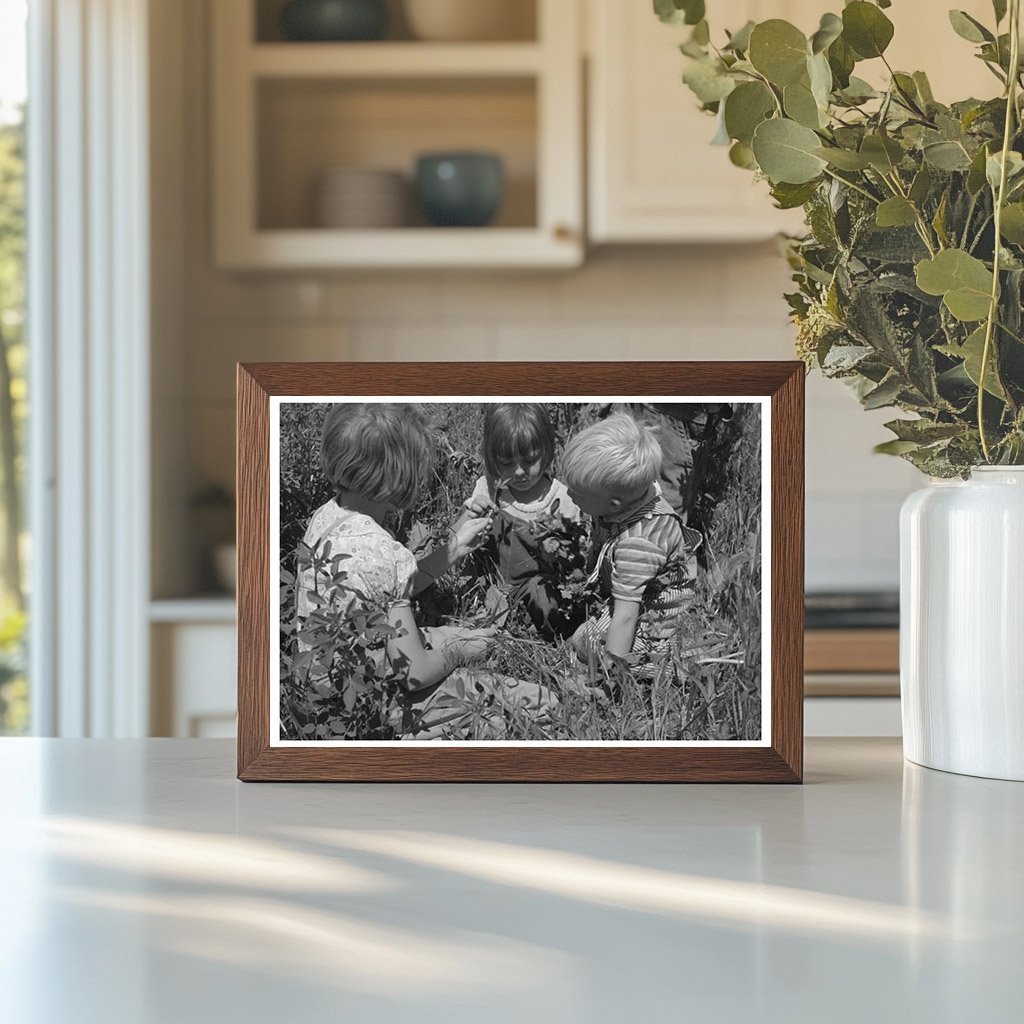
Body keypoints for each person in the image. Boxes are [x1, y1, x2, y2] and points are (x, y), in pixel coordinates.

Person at [294, 402, 552, 739]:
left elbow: (380, 593)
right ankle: (419, 735)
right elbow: (414, 673)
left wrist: (455, 548)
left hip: (322, 681)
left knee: (461, 634)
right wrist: (459, 652)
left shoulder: (325, 518)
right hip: (369, 701)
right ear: (398, 475)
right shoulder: (383, 552)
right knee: (541, 702)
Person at [559, 412, 702, 669]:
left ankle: (658, 664)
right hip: (633, 592)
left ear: (613, 504)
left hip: (657, 620)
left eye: (576, 492)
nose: (568, 494)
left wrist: (610, 673)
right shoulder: (639, 497)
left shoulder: (638, 543)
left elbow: (626, 617)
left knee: (584, 639)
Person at [457, 403, 584, 638]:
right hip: (494, 580)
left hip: (538, 583)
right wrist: (472, 513)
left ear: (546, 451)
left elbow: (573, 561)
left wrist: (554, 552)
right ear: (492, 458)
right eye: (506, 463)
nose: (518, 472)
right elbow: (457, 538)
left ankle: (547, 635)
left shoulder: (561, 499)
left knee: (545, 600)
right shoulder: (488, 488)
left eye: (530, 460)